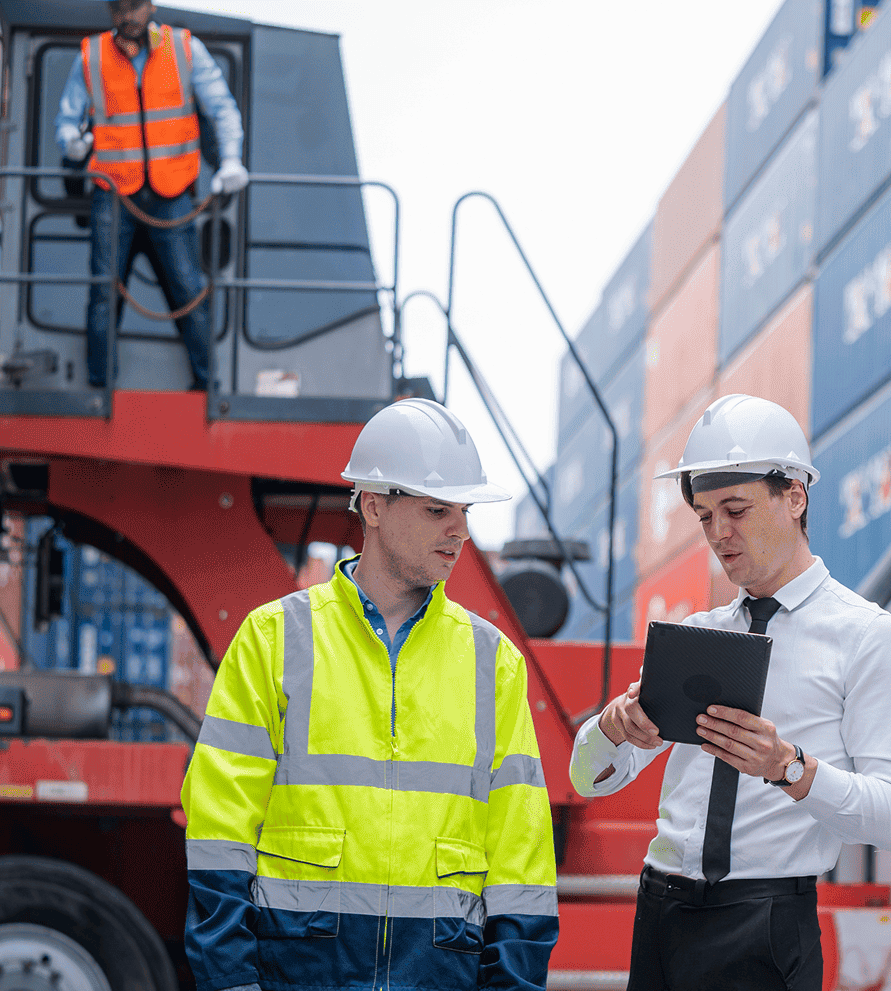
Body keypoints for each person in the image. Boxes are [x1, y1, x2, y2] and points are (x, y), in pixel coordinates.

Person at [181, 398, 559, 991]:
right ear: (375, 506)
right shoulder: (273, 640)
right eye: (437, 510)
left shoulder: (494, 663)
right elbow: (218, 834)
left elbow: (522, 859)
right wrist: (231, 982)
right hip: (299, 978)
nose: (459, 531)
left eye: (464, 511)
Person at [568, 394, 891, 991]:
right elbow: (586, 780)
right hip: (660, 914)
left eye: (735, 509)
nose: (718, 534)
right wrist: (611, 728)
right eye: (705, 517)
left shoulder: (869, 639)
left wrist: (788, 767)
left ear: (795, 496)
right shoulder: (698, 636)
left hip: (766, 925)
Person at [53, 0, 248, 391]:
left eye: (135, 5)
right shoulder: (92, 56)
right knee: (104, 292)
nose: (128, 15)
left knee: (188, 289)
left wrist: (230, 160)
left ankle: (208, 387)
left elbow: (222, 108)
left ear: (151, 6)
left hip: (171, 191)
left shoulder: (184, 49)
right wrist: (70, 142)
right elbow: (66, 120)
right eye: (119, 8)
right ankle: (100, 390)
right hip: (113, 194)